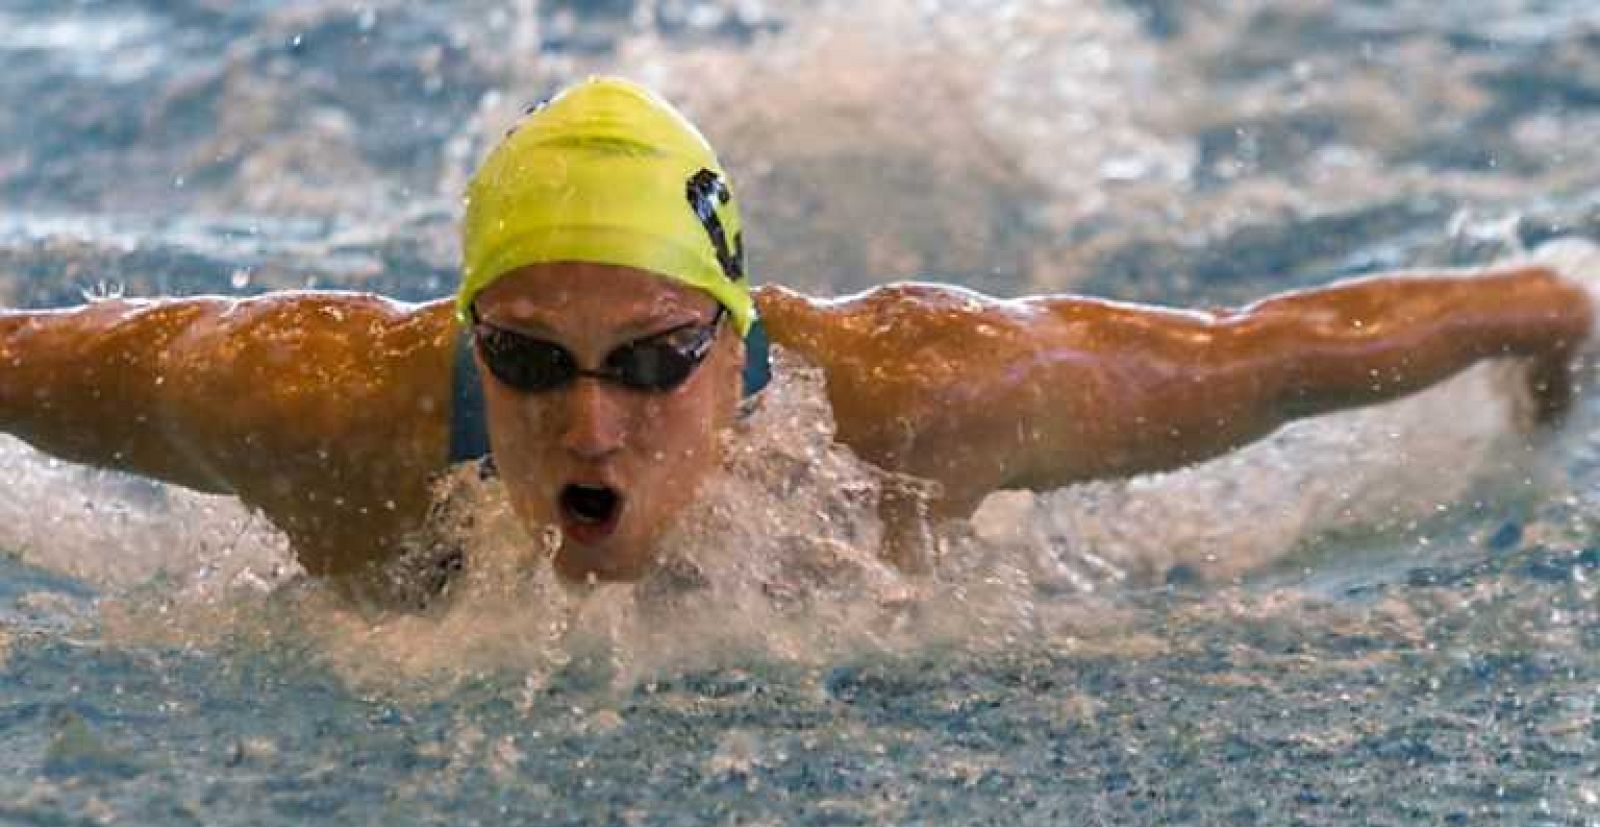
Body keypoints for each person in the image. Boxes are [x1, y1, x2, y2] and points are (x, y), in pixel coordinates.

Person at [0, 77, 1593, 599]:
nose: (594, 423)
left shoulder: (922, 399)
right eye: (532, 360)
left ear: (739, 342)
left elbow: (1270, 352)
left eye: (653, 359)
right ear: (469, 333)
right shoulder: (305, 402)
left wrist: (1545, 311)